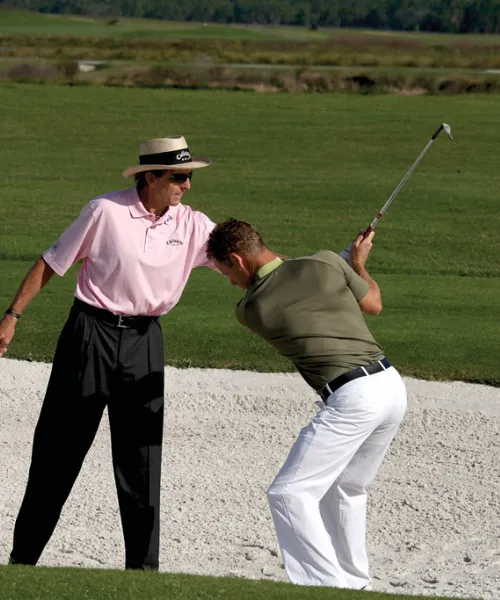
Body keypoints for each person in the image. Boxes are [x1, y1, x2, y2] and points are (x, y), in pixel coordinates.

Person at [0, 135, 217, 570]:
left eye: (190, 176)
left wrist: (326, 267)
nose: (187, 186)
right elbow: (52, 262)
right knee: (58, 451)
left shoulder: (192, 224)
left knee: (142, 459)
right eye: (179, 177)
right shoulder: (105, 211)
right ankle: (22, 564)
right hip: (89, 335)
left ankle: (142, 574)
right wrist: (12, 316)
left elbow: (246, 256)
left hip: (145, 341)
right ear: (150, 176)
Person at [206, 218, 407, 591]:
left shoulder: (252, 309)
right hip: (391, 387)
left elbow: (286, 278)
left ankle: (326, 588)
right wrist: (356, 263)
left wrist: (342, 262)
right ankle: (355, 584)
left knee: (289, 493)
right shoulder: (328, 262)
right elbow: (373, 304)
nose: (229, 281)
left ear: (236, 259)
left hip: (353, 398)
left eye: (224, 272)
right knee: (346, 488)